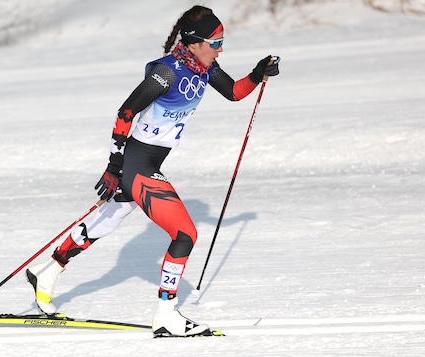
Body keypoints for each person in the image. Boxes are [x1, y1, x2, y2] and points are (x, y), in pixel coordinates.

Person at [25, 5, 280, 337]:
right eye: (215, 42)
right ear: (193, 41)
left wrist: (258, 72)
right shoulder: (168, 72)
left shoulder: (203, 68)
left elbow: (233, 92)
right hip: (136, 164)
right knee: (185, 234)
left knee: (104, 223)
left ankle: (47, 274)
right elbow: (125, 111)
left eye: (222, 41)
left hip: (147, 163)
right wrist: (115, 166)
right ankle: (166, 316)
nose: (220, 48)